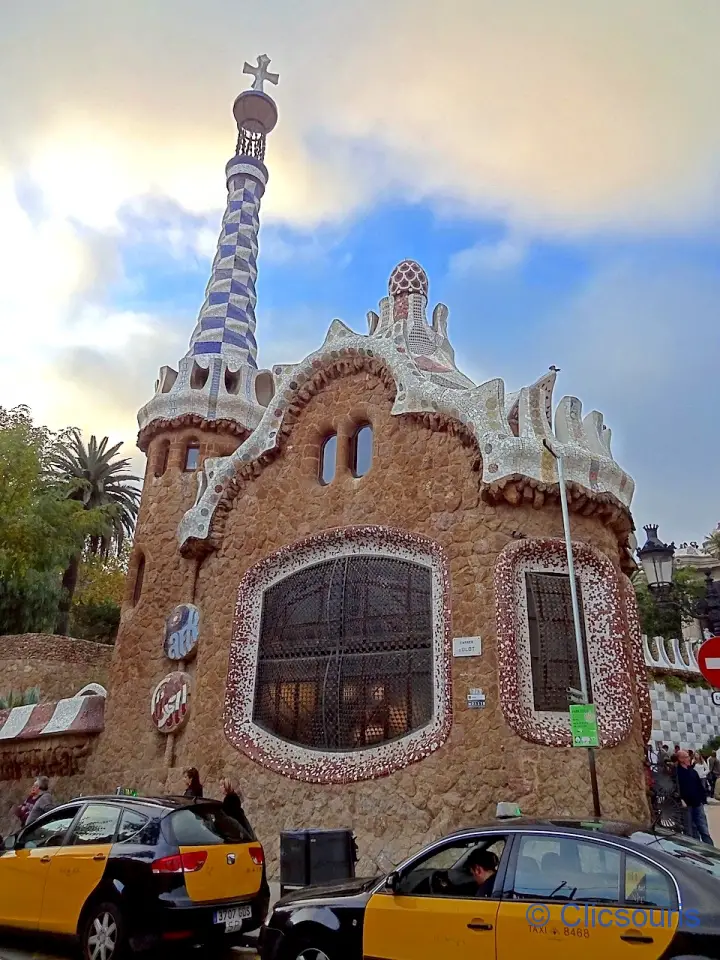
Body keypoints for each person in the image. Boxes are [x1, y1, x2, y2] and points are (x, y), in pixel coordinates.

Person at [676, 750, 714, 845]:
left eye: (688, 757)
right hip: (687, 805)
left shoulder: (693, 772)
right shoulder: (677, 773)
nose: (689, 759)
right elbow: (675, 788)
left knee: (703, 828)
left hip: (697, 803)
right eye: (686, 757)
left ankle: (710, 850)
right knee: (692, 830)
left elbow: (699, 787)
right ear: (681, 759)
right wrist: (681, 799)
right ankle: (697, 851)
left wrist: (703, 800)